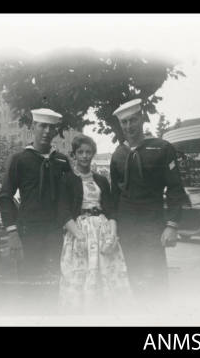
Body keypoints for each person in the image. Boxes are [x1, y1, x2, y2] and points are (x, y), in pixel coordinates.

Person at [110, 99, 187, 306]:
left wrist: (172, 225)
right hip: (127, 227)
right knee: (131, 279)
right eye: (124, 122)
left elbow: (175, 188)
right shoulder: (118, 154)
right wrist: (114, 227)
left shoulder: (162, 148)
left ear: (142, 119)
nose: (128, 126)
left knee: (156, 279)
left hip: (152, 225)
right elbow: (114, 194)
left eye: (132, 120)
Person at [0, 108, 72, 286]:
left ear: (55, 131)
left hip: (56, 234)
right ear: (33, 127)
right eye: (42, 126)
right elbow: (5, 197)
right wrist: (13, 233)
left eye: (51, 127)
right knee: (30, 287)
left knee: (57, 285)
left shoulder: (61, 161)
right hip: (29, 234)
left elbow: (70, 197)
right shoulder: (19, 159)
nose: (47, 131)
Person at [57, 134, 132, 313]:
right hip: (79, 232)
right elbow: (63, 211)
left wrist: (113, 234)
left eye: (88, 152)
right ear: (74, 154)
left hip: (102, 232)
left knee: (106, 275)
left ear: (93, 154)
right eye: (80, 152)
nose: (84, 156)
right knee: (80, 276)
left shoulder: (101, 180)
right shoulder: (67, 179)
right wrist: (79, 235)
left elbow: (111, 210)